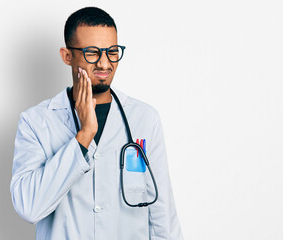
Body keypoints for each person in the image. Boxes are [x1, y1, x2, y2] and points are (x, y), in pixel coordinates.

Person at [10, 6, 184, 240]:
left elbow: (162, 215)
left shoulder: (144, 118)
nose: (104, 63)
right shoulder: (36, 122)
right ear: (67, 56)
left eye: (112, 51)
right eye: (92, 52)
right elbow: (30, 207)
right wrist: (84, 135)